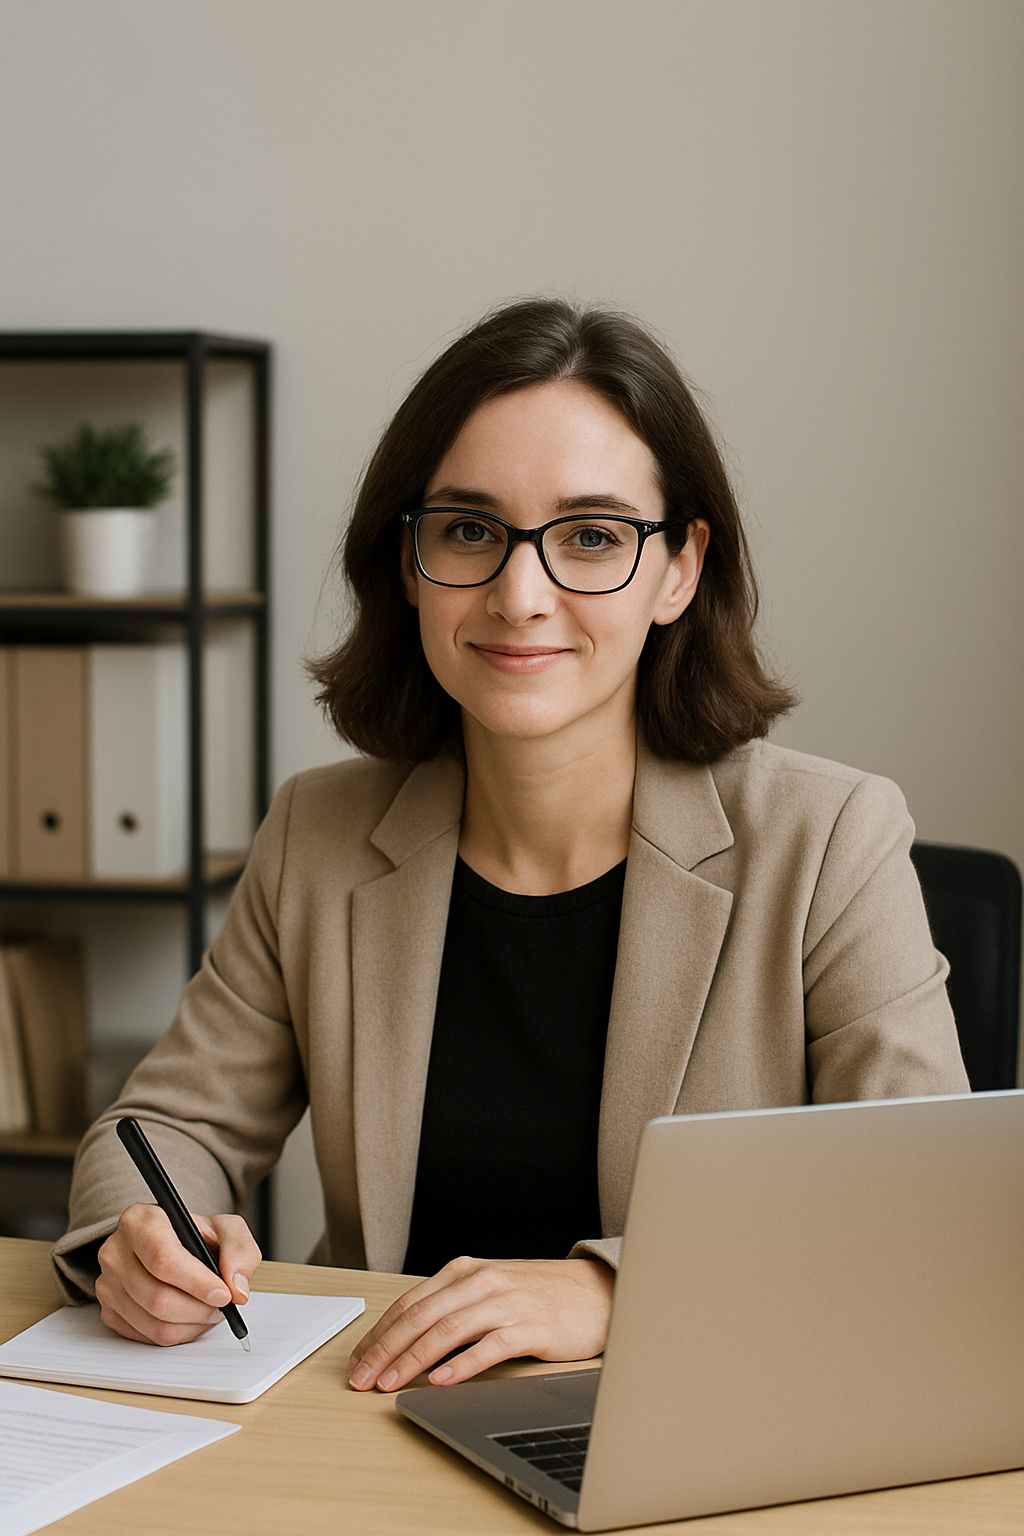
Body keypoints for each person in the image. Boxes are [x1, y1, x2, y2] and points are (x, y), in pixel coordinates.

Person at [53, 298, 968, 1394]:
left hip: (705, 1418)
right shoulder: (321, 834)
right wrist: (143, 1236)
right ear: (407, 560)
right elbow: (165, 1124)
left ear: (679, 568)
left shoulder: (829, 840)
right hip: (374, 1428)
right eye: (469, 530)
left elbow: (921, 1215)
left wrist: (619, 1291)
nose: (518, 595)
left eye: (591, 536)